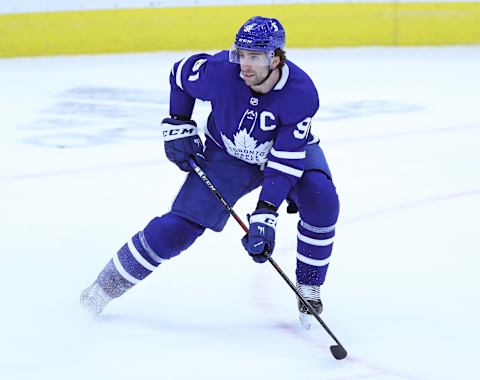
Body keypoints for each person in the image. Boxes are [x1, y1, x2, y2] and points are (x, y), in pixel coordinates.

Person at [80, 16, 339, 329]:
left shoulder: (301, 92)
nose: (244, 64)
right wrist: (178, 122)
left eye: (255, 56)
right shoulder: (220, 71)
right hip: (226, 154)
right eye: (241, 53)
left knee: (320, 198)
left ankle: (309, 286)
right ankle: (102, 289)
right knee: (177, 228)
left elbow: (285, 161)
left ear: (276, 58)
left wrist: (266, 213)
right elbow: (179, 74)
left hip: (285, 154)